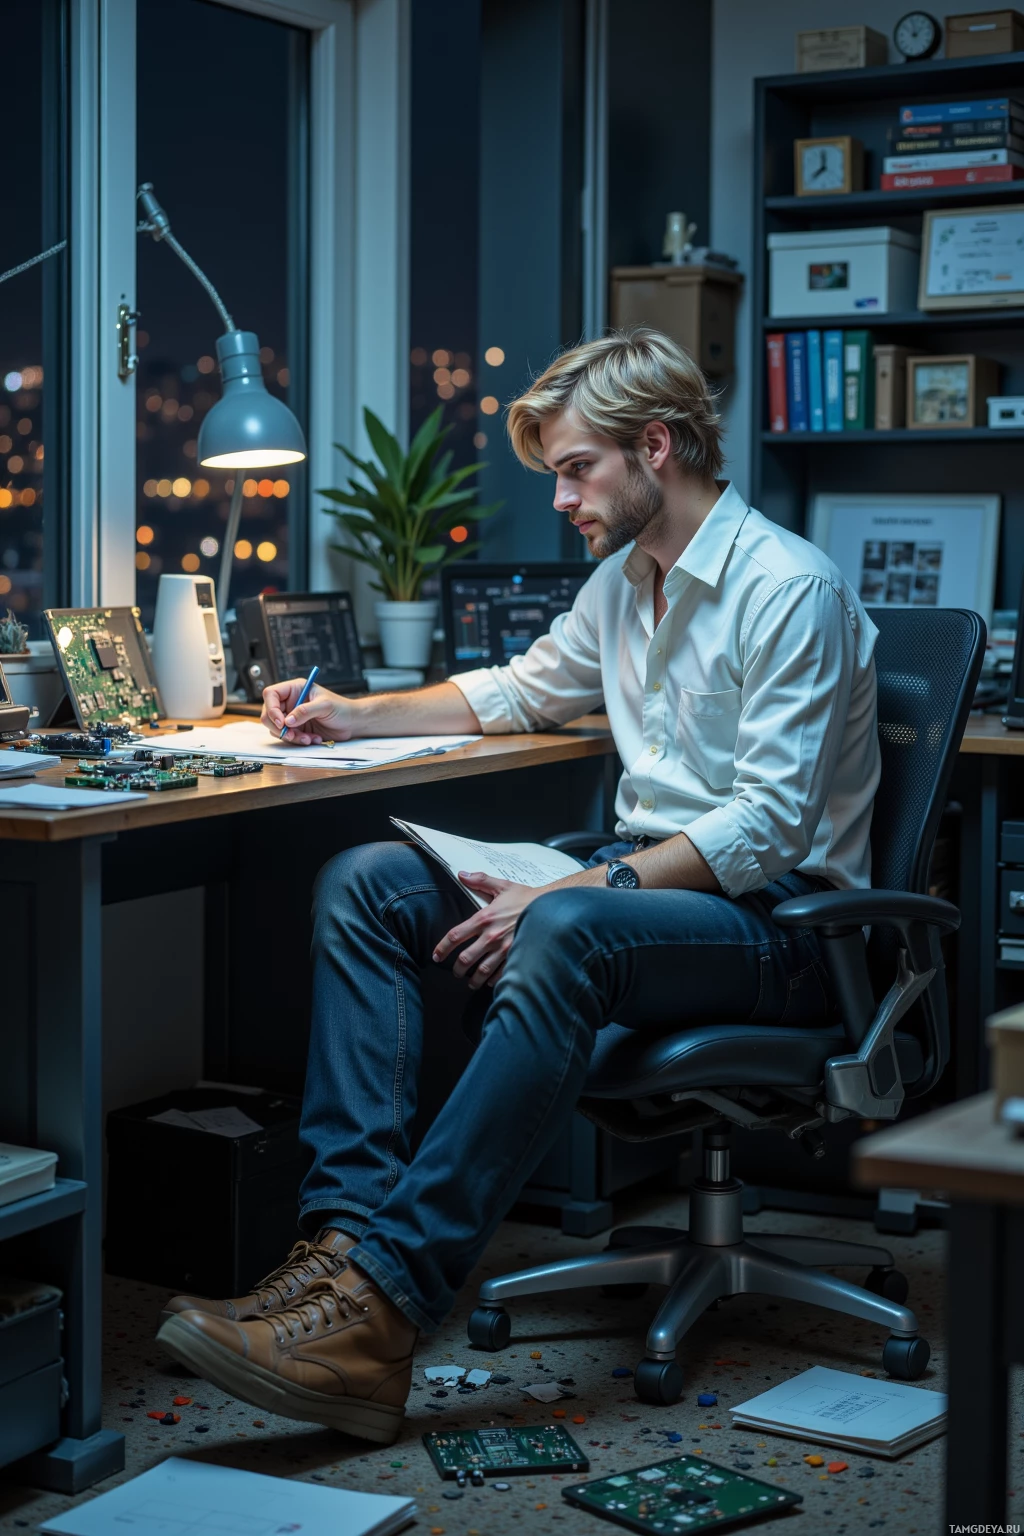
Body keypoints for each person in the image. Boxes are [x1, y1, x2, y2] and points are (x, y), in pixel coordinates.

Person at [156, 327, 880, 1446]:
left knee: (575, 922)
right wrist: (355, 711)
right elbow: (517, 691)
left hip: (775, 928)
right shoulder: (626, 582)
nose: (560, 499)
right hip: (641, 892)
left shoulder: (788, 588)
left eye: (574, 469)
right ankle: (341, 1252)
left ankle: (382, 1311)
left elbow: (769, 825)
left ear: (657, 446)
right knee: (369, 881)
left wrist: (577, 892)